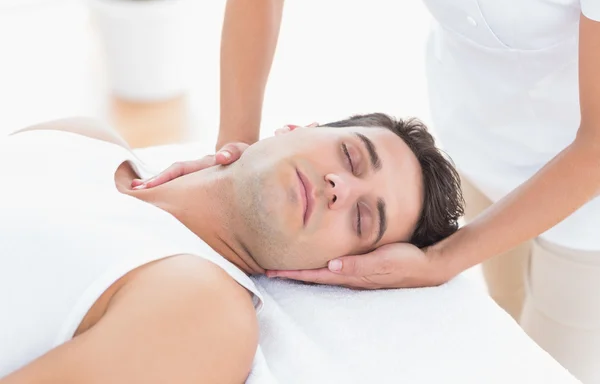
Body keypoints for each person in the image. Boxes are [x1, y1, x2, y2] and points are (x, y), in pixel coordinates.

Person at [132, 0, 600, 382]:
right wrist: (233, 158)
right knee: (508, 305)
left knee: (549, 355)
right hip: (473, 138)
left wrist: (443, 260)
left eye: (360, 216)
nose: (337, 187)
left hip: (587, 197)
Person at [0, 113, 463, 382]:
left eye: (362, 218)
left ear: (340, 268)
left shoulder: (202, 311)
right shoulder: (82, 137)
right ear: (296, 128)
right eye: (350, 156)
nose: (340, 186)